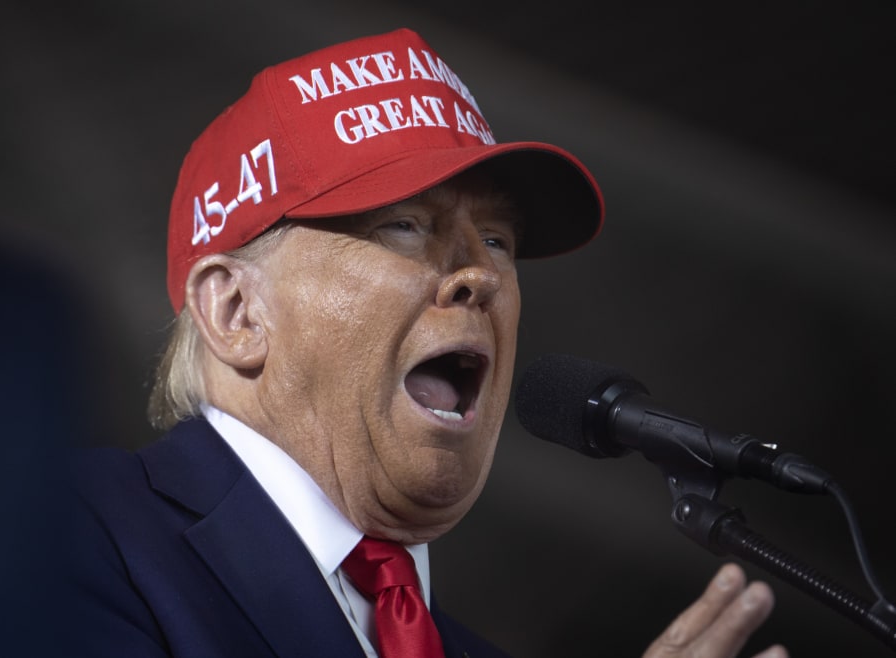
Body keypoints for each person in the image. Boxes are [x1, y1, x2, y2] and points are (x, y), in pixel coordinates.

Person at [64, 27, 788, 658]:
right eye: (404, 226)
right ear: (236, 311)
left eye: (497, 240)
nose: (480, 275)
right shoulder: (65, 533)